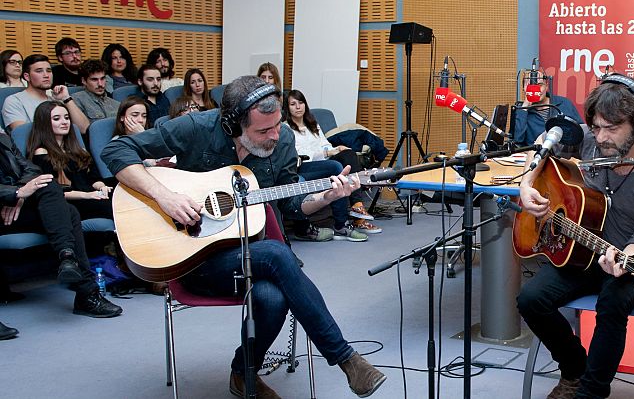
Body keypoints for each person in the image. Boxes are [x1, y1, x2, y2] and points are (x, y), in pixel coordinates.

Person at [101, 76, 386, 398]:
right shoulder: (197, 127)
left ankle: (243, 374)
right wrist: (165, 196)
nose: (275, 136)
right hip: (191, 258)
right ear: (232, 125)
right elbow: (116, 149)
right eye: (263, 131)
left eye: (277, 125)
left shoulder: (284, 140)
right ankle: (345, 357)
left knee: (272, 297)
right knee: (278, 255)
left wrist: (327, 198)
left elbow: (293, 206)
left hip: (251, 258)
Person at [516, 74, 634, 399]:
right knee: (531, 299)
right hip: (582, 252)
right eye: (596, 127)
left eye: (612, 128)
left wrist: (624, 258)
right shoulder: (593, 141)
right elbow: (539, 154)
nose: (601, 137)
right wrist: (527, 185)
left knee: (612, 301)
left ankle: (591, 392)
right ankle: (575, 370)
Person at [0, 130, 122, 318]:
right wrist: (14, 194)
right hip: (4, 208)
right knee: (70, 212)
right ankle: (84, 288)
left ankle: (69, 260)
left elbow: (32, 170)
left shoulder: (3, 138)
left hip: (16, 206)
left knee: (51, 186)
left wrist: (21, 192)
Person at [284, 89, 380, 237]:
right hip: (305, 165)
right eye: (293, 104)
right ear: (287, 107)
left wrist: (335, 149)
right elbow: (299, 155)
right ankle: (341, 225)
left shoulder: (312, 123)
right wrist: (327, 153)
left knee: (348, 154)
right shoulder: (286, 128)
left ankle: (357, 205)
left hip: (324, 161)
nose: (298, 107)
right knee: (336, 168)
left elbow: (324, 144)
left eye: (301, 102)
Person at [27, 101, 114, 220]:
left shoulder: (78, 149)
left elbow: (93, 178)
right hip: (70, 202)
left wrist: (102, 187)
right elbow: (53, 192)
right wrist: (87, 195)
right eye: (57, 119)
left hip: (90, 194)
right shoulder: (42, 153)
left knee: (120, 192)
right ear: (44, 123)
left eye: (67, 118)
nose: (64, 122)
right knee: (110, 207)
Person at [2, 54, 90, 133]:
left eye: (48, 70)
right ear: (27, 76)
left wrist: (66, 98)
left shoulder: (56, 99)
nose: (46, 75)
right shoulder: (14, 101)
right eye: (39, 71)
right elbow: (22, 135)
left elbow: (84, 129)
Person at [513, 68, 583, 146]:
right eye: (531, 85)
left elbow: (581, 132)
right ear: (524, 88)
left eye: (540, 85)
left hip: (563, 155)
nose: (536, 90)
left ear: (546, 86)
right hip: (534, 154)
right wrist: (524, 108)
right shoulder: (520, 111)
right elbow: (517, 141)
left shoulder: (564, 103)